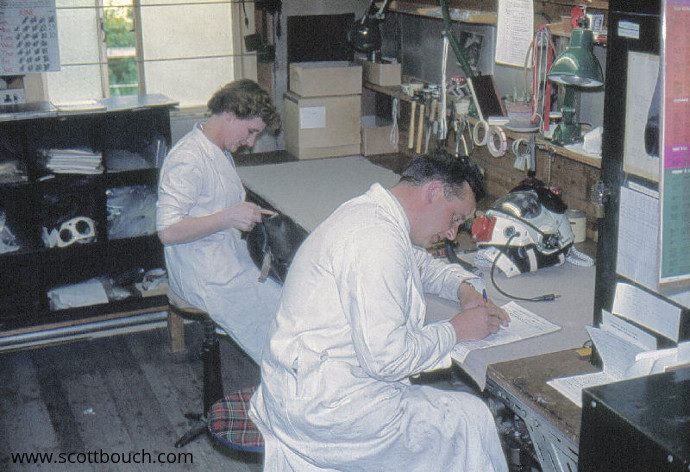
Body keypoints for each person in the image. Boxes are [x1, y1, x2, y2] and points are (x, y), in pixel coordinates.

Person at [250, 150, 510, 471]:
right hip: (325, 412)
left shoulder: (375, 216)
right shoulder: (375, 239)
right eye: (455, 218)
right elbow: (387, 359)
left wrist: (463, 289)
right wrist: (457, 330)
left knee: (452, 413)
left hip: (303, 388)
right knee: (471, 418)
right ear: (433, 192)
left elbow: (420, 265)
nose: (452, 234)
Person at [156, 79, 281, 363]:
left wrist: (242, 213)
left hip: (220, 258)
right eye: (250, 132)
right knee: (280, 328)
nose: (250, 143)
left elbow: (212, 203)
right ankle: (289, 387)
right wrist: (229, 216)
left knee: (289, 303)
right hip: (200, 272)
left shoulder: (217, 150)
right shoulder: (188, 159)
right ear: (229, 114)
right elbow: (167, 231)